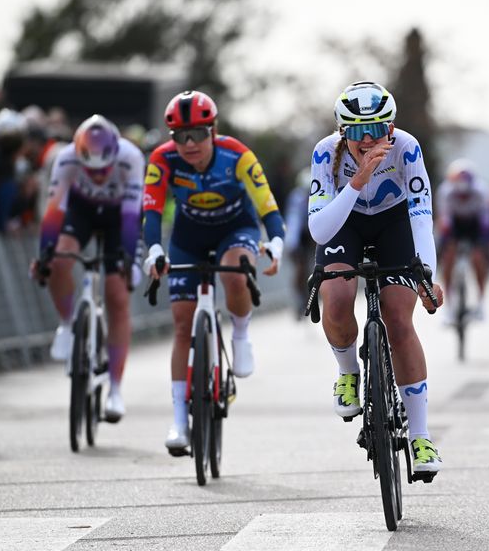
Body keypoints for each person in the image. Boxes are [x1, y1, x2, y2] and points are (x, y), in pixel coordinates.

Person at [308, 81, 444, 476]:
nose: (366, 140)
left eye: (376, 130)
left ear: (392, 127)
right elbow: (320, 229)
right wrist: (357, 181)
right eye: (354, 131)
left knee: (399, 319)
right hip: (343, 220)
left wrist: (427, 273)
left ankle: (420, 436)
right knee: (334, 298)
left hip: (395, 223)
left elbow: (421, 213)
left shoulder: (407, 148)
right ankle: (348, 371)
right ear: (341, 132)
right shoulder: (324, 153)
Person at [142, 90, 285, 453]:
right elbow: (152, 211)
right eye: (180, 136)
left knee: (237, 272)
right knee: (181, 323)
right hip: (188, 238)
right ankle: (178, 421)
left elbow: (267, 205)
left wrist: (278, 241)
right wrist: (155, 249)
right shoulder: (163, 158)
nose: (189, 144)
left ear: (213, 130)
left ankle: (240, 333)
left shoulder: (237, 155)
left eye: (198, 134)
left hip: (236, 229)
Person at [31, 114, 145, 423]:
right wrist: (44, 257)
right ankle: (67, 323)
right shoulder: (65, 158)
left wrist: (130, 259)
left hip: (118, 217)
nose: (97, 176)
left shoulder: (131, 157)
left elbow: (133, 218)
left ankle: (116, 390)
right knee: (59, 259)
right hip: (80, 212)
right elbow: (53, 213)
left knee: (117, 296)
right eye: (90, 169)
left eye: (103, 170)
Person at [435, 159, 489, 320]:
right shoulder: (445, 191)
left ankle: (482, 303)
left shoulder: (481, 191)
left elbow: (486, 220)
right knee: (448, 257)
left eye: (465, 195)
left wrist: (482, 244)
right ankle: (448, 306)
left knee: (478, 258)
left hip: (476, 223)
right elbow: (444, 219)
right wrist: (447, 240)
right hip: (455, 222)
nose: (462, 198)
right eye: (459, 195)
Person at [284, 167, 315, 319]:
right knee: (300, 268)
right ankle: (299, 300)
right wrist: (292, 244)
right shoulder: (296, 198)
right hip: (300, 235)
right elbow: (293, 221)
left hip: (314, 231)